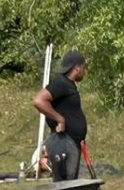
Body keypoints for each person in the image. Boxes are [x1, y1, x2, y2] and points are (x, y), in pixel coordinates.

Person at [32, 50, 88, 182]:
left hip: (71, 142)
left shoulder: (69, 85)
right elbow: (39, 101)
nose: (84, 71)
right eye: (83, 68)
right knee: (65, 185)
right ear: (76, 67)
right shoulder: (60, 83)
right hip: (63, 142)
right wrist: (60, 119)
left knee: (70, 182)